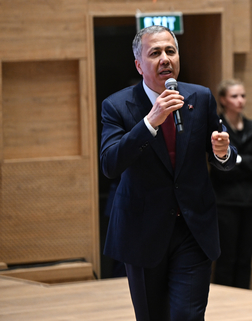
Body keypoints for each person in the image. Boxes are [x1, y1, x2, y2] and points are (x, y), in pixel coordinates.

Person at [100, 25, 237, 321]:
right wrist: (150, 122)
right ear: (139, 65)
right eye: (155, 53)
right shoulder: (117, 106)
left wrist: (222, 152)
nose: (165, 58)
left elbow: (226, 155)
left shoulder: (200, 97)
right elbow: (110, 164)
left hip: (193, 228)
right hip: (143, 231)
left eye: (170, 51)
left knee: (188, 315)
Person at [210, 79, 252, 289]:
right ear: (223, 100)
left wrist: (237, 160)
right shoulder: (218, 130)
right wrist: (251, 160)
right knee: (227, 259)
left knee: (245, 259)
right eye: (234, 96)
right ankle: (225, 304)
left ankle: (245, 300)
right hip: (226, 202)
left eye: (243, 96)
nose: (240, 100)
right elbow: (222, 168)